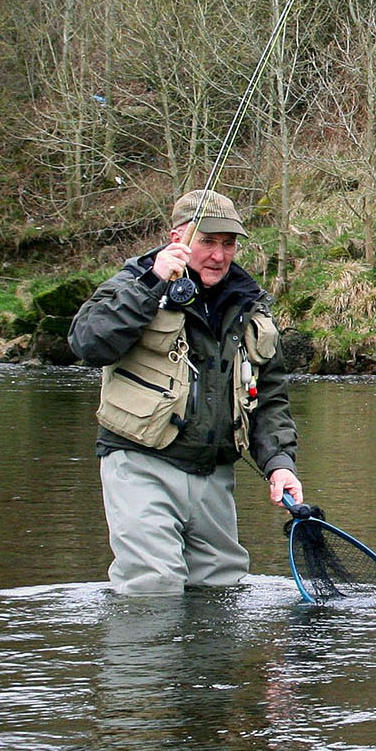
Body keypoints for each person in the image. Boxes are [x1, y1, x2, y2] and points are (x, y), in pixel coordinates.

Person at [69, 188, 304, 595]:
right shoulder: (134, 283)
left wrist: (279, 462)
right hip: (140, 462)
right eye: (207, 242)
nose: (219, 255)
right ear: (178, 238)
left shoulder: (248, 303)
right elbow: (88, 343)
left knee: (222, 589)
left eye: (228, 244)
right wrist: (152, 284)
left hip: (213, 473)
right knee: (153, 585)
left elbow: (269, 395)